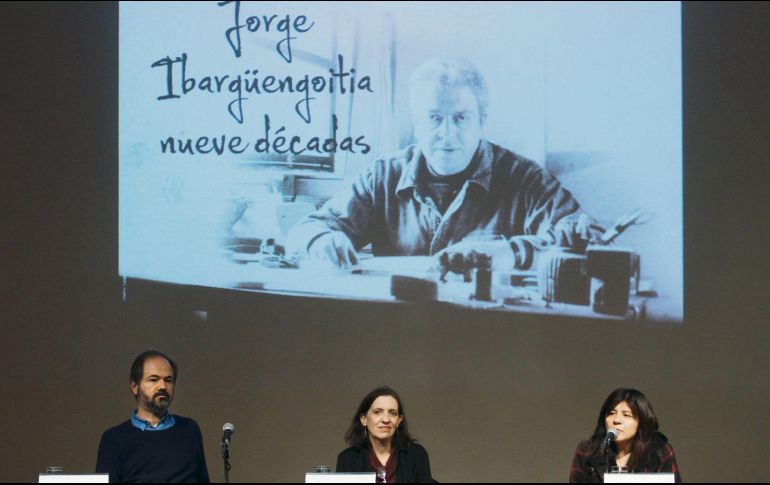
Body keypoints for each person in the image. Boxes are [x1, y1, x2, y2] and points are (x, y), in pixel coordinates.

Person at [288, 57, 602, 269]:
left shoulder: (526, 179)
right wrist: (322, 239)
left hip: (495, 335)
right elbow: (308, 229)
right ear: (417, 124)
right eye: (434, 119)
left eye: (461, 118)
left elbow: (595, 242)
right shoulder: (383, 176)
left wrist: (512, 252)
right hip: (400, 333)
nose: (447, 135)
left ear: (482, 120)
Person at [96, 351, 210, 483]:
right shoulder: (114, 439)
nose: (162, 386)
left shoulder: (189, 429)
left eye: (168, 380)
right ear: (134, 387)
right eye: (153, 379)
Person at [569, 388, 681, 483]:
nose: (617, 420)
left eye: (626, 415)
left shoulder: (660, 451)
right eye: (612, 413)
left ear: (642, 421)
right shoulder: (588, 449)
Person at [336, 386, 433, 483]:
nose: (386, 419)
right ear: (364, 419)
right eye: (378, 412)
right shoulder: (348, 459)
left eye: (392, 413)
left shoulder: (416, 455)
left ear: (399, 420)